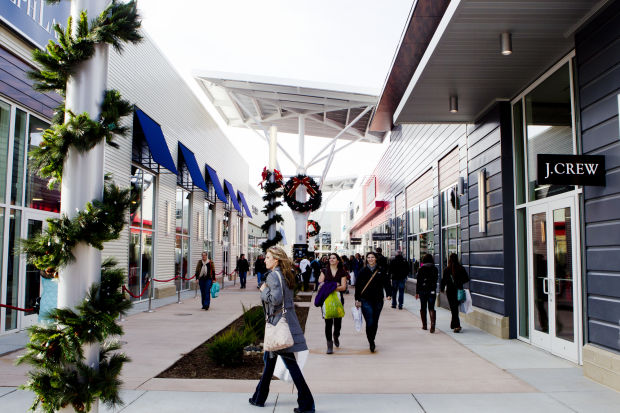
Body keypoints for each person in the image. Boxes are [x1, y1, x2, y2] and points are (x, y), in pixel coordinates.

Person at [249, 246, 315, 413]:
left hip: (278, 326)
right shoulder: (286, 274)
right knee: (269, 361)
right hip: (286, 322)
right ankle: (259, 397)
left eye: (268, 257)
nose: (265, 260)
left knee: (291, 365)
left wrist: (263, 291)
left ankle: (307, 404)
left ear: (276, 260)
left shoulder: (272, 276)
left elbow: (275, 300)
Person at [354, 251, 391, 352]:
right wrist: (357, 299)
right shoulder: (363, 271)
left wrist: (388, 294)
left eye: (372, 257)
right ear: (366, 259)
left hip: (378, 299)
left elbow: (387, 282)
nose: (370, 259)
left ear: (376, 259)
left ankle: (372, 338)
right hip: (365, 300)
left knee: (375, 321)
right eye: (368, 257)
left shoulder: (381, 270)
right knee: (369, 321)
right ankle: (371, 342)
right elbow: (358, 286)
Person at [318, 253, 348, 354]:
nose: (331, 259)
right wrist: (335, 285)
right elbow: (320, 284)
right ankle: (329, 345)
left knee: (338, 322)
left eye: (334, 258)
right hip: (326, 300)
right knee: (328, 322)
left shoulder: (342, 272)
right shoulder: (324, 271)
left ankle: (336, 335)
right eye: (330, 258)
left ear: (338, 260)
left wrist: (329, 287)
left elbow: (343, 287)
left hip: (339, 299)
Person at [440, 253, 470, 333]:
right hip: (458, 290)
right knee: (455, 308)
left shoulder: (447, 269)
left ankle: (457, 325)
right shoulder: (461, 268)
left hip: (450, 291)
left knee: (453, 309)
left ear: (449, 259)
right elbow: (467, 279)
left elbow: (443, 280)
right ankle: (454, 324)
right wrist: (459, 282)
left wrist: (442, 288)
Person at [416, 253, 439, 332]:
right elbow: (436, 280)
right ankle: (432, 324)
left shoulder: (421, 269)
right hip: (432, 290)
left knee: (423, 307)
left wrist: (417, 292)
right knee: (431, 307)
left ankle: (424, 325)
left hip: (423, 290)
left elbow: (418, 282)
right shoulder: (435, 269)